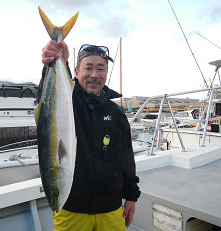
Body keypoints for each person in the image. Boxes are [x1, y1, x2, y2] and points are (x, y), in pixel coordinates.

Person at [39, 40, 141, 231]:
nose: (95, 75)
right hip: (71, 210)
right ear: (76, 72)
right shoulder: (68, 104)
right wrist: (56, 61)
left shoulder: (116, 113)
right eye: (88, 68)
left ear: (106, 74)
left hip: (111, 209)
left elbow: (126, 158)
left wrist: (131, 197)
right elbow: (49, 102)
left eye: (100, 69)